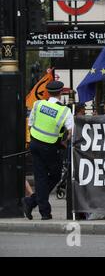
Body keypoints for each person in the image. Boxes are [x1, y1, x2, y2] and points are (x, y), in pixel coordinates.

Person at [22, 81, 73, 220]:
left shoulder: (38, 104)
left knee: (40, 177)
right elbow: (70, 132)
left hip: (35, 143)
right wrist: (63, 142)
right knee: (55, 175)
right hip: (50, 147)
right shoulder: (64, 110)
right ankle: (34, 203)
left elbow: (30, 124)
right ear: (61, 92)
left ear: (48, 92)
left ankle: (41, 209)